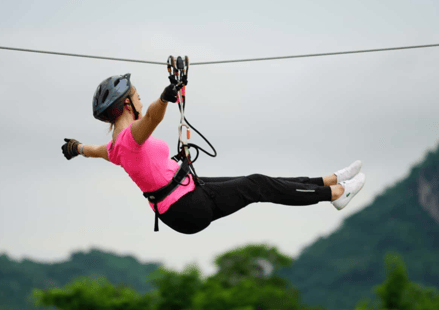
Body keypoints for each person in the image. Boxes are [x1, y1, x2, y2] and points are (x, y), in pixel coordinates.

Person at [61, 73, 366, 234]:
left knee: (258, 181)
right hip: (187, 207)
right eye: (137, 96)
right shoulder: (128, 139)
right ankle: (335, 194)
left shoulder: (115, 146)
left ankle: (328, 180)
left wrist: (77, 148)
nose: (141, 100)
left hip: (187, 192)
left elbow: (94, 150)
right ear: (128, 105)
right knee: (256, 184)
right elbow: (154, 117)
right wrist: (165, 97)